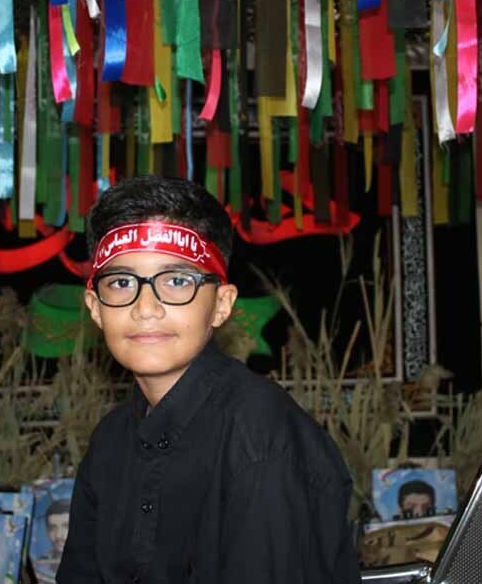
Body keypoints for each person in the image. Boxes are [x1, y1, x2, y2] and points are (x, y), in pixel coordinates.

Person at [56, 175, 360, 584]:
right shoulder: (110, 441)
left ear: (221, 305)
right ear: (96, 308)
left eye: (176, 281)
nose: (146, 308)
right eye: (122, 282)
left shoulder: (261, 441)